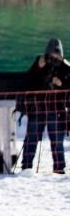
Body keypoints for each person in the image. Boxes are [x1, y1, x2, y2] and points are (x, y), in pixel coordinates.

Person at [21, 38, 70, 174]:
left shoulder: (66, 67)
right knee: (31, 138)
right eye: (51, 55)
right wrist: (37, 68)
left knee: (57, 141)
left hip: (57, 109)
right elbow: (27, 81)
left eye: (57, 55)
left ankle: (59, 168)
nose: (53, 58)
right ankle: (26, 167)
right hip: (38, 107)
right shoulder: (40, 62)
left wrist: (61, 84)